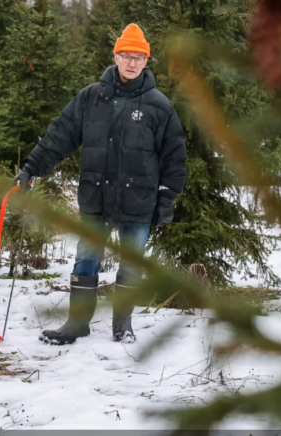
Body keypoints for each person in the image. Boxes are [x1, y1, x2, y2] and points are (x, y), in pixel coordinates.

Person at [14, 24, 187, 344]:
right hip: (96, 197)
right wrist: (32, 169)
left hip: (139, 201)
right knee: (86, 260)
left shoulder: (159, 106)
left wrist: (166, 198)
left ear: (146, 61)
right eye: (126, 56)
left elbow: (174, 157)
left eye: (138, 57)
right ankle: (77, 324)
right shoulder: (91, 98)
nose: (131, 63)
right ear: (115, 56)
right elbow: (59, 135)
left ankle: (123, 326)